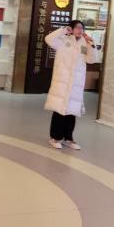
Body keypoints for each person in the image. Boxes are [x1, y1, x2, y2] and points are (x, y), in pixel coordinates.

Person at [45, 20, 97, 150]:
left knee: (72, 111)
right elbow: (48, 39)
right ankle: (55, 137)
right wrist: (63, 30)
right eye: (77, 27)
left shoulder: (84, 44)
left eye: (82, 28)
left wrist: (91, 44)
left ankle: (68, 138)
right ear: (71, 28)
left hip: (76, 84)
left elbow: (91, 60)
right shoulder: (63, 40)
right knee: (59, 110)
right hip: (62, 81)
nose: (80, 30)